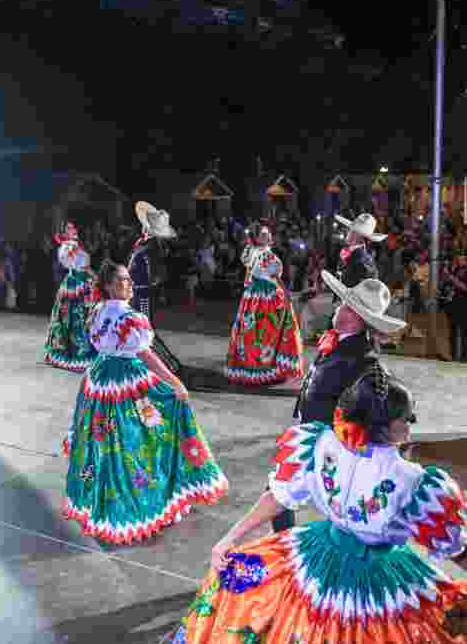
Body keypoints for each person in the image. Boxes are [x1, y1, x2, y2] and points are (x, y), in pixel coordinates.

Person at [172, 363, 467, 644]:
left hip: (315, 555)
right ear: (384, 426)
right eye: (406, 418)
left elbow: (278, 496)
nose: (411, 424)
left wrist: (230, 538)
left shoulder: (319, 444)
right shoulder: (412, 481)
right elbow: (454, 549)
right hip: (376, 579)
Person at [62, 261, 228, 544]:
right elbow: (145, 355)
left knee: (104, 440)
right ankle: (140, 499)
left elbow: (99, 345)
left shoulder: (98, 312)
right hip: (125, 379)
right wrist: (175, 382)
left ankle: (98, 497)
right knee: (143, 433)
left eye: (128, 280)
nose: (128, 285)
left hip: (100, 378)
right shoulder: (129, 317)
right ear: (110, 286)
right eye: (122, 281)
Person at [272, 270, 407, 533]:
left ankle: (285, 544)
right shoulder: (338, 341)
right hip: (311, 432)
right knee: (281, 493)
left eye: (348, 308)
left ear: (359, 321)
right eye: (344, 304)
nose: (340, 309)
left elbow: (369, 406)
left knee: (281, 493)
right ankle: (285, 540)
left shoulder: (364, 359)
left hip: (325, 441)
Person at [225, 224, 304, 386]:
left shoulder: (251, 251)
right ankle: (269, 368)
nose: (267, 236)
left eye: (268, 233)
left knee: (252, 330)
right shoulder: (266, 255)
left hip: (253, 295)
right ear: (257, 238)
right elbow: (275, 275)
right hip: (267, 295)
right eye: (263, 234)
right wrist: (285, 293)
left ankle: (253, 366)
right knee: (269, 329)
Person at [128, 201, 183, 376]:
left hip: (143, 293)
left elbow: (157, 276)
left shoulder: (152, 247)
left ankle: (168, 364)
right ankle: (144, 362)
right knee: (138, 329)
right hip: (136, 291)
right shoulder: (143, 243)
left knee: (146, 330)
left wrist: (145, 283)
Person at [42, 221, 99, 372]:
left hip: (83, 283)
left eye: (74, 227)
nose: (73, 230)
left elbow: (85, 266)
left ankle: (88, 349)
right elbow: (75, 264)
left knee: (85, 317)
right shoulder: (67, 247)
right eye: (69, 228)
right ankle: (74, 352)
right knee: (73, 317)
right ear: (64, 231)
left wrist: (95, 278)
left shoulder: (75, 245)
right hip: (75, 284)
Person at [334, 212, 384, 288]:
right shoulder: (355, 253)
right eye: (350, 230)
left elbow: (362, 280)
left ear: (359, 236)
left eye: (353, 231)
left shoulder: (360, 255)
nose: (349, 233)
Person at [445, 254, 467, 363]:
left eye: (462, 259)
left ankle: (463, 356)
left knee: (463, 332)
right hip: (453, 304)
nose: (459, 260)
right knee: (452, 331)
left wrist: (451, 278)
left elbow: (465, 288)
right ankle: (453, 354)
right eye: (458, 258)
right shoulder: (455, 270)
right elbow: (450, 285)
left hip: (464, 305)